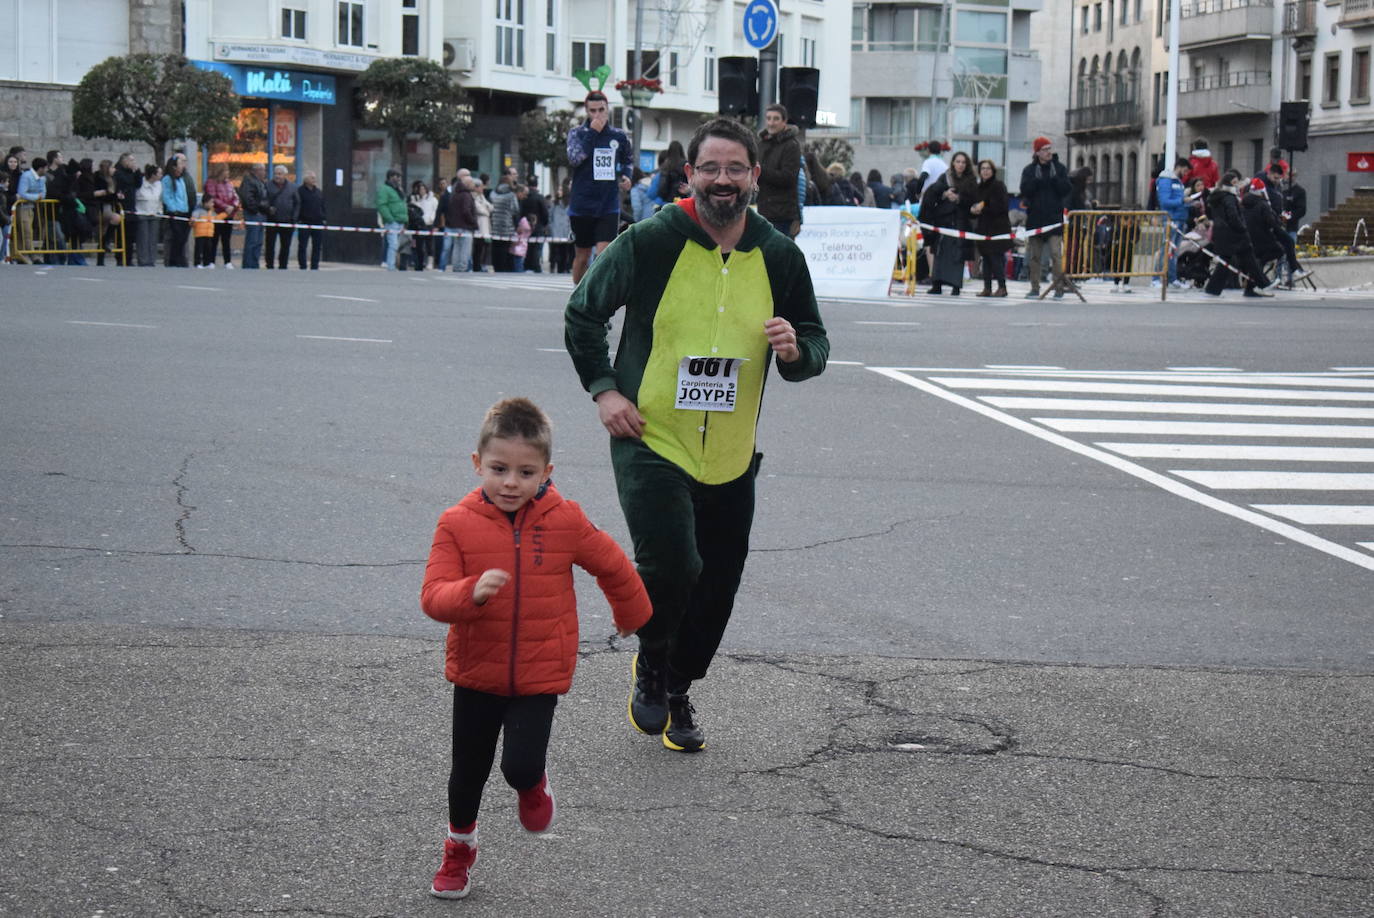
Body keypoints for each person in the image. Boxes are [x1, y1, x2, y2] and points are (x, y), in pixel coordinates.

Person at [564, 117, 829, 753]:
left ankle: (678, 683)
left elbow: (816, 343)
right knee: (673, 563)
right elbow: (583, 313)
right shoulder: (650, 241)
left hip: (733, 454)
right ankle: (653, 662)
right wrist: (605, 390)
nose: (722, 180)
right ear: (691, 176)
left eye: (735, 169)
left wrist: (795, 352)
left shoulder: (780, 256)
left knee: (716, 587)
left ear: (754, 178)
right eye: (710, 168)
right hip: (650, 437)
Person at [420, 397, 651, 900]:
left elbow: (612, 565)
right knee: (467, 773)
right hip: (476, 670)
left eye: (525, 472)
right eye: (499, 468)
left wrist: (634, 617)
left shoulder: (565, 519)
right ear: (477, 463)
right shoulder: (455, 523)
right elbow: (433, 597)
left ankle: (533, 784)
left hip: (540, 670)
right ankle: (459, 849)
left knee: (518, 766)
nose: (510, 482)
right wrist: (470, 592)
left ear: (546, 472)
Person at [566, 91, 634, 282]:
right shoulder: (577, 134)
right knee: (582, 256)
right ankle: (578, 296)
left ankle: (595, 298)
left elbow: (627, 160)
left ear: (608, 109)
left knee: (603, 256)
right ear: (586, 111)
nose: (597, 115)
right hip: (582, 204)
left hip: (608, 204)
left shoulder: (618, 136)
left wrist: (627, 177)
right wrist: (593, 133)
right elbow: (574, 159)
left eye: (601, 110)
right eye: (593, 111)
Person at [1203, 170, 1272, 298]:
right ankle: (1262, 285)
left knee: (1225, 262)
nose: (1236, 185)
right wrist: (1242, 228)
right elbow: (1233, 216)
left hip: (1222, 233)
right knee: (1250, 260)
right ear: (1229, 183)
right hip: (1235, 235)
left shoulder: (1216, 197)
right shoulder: (1229, 197)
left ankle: (1213, 289)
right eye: (1234, 183)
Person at [1018, 136, 1071, 298]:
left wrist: (1056, 179)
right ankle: (1035, 287)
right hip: (1035, 219)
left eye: (1049, 148)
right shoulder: (1029, 170)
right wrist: (1036, 181)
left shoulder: (1059, 168)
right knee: (1035, 256)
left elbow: (1066, 189)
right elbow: (1025, 190)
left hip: (1054, 219)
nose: (1048, 152)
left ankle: (1058, 287)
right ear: (1037, 152)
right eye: (1044, 149)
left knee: (1056, 254)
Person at [920, 150, 976, 295]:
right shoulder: (944, 177)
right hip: (943, 220)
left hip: (960, 221)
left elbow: (972, 199)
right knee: (940, 252)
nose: (960, 165)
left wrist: (959, 198)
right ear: (953, 163)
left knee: (957, 255)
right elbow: (932, 194)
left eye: (963, 162)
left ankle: (956, 286)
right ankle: (936, 284)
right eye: (958, 161)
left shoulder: (970, 180)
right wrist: (945, 194)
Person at [757, 103, 802, 237]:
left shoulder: (791, 146)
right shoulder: (761, 144)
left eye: (776, 119)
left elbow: (788, 178)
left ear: (784, 121)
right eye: (769, 118)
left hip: (782, 214)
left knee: (781, 255)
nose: (771, 123)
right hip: (763, 210)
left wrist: (760, 170)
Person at [971, 158, 1011, 297]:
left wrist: (983, 207)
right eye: (983, 169)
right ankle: (987, 287)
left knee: (995, 258)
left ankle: (1002, 287)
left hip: (997, 228)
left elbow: (1001, 206)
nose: (985, 171)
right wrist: (974, 210)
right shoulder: (979, 187)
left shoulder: (998, 185)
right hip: (983, 227)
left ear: (993, 170)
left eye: (988, 168)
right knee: (986, 258)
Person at [1155, 158, 1191, 287]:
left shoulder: (1178, 182)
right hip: (1171, 219)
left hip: (1179, 218)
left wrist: (1189, 203)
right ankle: (1156, 278)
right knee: (1166, 250)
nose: (1185, 174)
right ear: (1179, 167)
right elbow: (1165, 202)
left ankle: (1171, 278)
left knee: (1173, 252)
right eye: (1185, 170)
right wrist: (1183, 200)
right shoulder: (1166, 181)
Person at [204, 164, 239, 269]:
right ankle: (211, 261)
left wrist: (233, 206)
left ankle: (227, 261)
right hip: (217, 214)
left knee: (226, 239)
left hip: (228, 215)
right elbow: (212, 197)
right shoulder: (211, 182)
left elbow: (235, 196)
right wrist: (225, 206)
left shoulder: (229, 183)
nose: (227, 173)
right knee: (214, 238)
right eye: (225, 171)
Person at [440, 174, 477, 272]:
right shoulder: (466, 195)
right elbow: (466, 211)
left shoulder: (455, 194)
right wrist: (473, 222)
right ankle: (462, 267)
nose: (474, 185)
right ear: (468, 184)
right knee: (465, 248)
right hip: (465, 226)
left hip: (455, 225)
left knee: (457, 246)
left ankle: (456, 266)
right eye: (472, 183)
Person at [264, 164, 298, 269]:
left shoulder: (292, 187)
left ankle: (283, 265)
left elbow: (297, 203)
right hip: (272, 219)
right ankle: (269, 264)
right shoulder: (268, 185)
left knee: (285, 245)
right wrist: (268, 208)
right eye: (275, 174)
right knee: (270, 244)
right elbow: (263, 199)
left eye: (280, 174)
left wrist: (294, 218)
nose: (277, 176)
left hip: (287, 220)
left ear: (285, 175)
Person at [161, 156, 192, 267]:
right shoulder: (167, 179)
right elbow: (166, 196)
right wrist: (173, 209)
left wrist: (186, 208)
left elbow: (184, 196)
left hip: (184, 211)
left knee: (182, 238)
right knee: (176, 237)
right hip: (175, 212)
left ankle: (179, 259)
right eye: (180, 164)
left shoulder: (181, 179)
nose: (182, 166)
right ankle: (173, 260)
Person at [238, 163, 269, 269]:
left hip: (261, 214)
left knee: (258, 242)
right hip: (253, 214)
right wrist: (257, 209)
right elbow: (248, 198)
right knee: (252, 240)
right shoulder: (249, 181)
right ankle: (248, 264)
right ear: (256, 171)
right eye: (262, 170)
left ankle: (254, 264)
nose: (264, 172)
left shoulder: (261, 182)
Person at [376, 169, 407, 270]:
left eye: (399, 177)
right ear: (390, 177)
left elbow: (402, 203)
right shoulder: (384, 189)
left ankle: (392, 264)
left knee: (397, 246)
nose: (398, 179)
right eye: (396, 176)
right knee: (393, 245)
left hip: (400, 221)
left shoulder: (398, 189)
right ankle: (391, 266)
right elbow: (381, 205)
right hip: (393, 222)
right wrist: (389, 218)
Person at [133, 163, 163, 266]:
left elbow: (159, 198)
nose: (161, 175)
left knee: (153, 238)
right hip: (142, 212)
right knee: (143, 238)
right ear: (153, 175)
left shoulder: (159, 184)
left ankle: (151, 260)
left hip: (154, 213)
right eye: (159, 173)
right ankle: (143, 260)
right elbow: (138, 196)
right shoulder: (141, 183)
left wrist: (159, 211)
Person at [488, 174, 519, 272]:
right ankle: (504, 268)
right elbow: (515, 209)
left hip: (494, 224)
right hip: (506, 225)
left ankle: (496, 266)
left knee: (496, 248)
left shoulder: (492, 193)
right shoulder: (511, 195)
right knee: (505, 249)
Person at [296, 170, 325, 270]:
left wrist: (323, 217)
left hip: (317, 222)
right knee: (302, 246)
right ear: (306, 179)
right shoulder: (300, 191)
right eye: (312, 177)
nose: (314, 180)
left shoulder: (318, 192)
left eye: (314, 177)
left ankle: (314, 266)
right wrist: (298, 219)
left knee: (317, 246)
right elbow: (297, 206)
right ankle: (302, 266)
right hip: (304, 222)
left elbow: (323, 205)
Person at [408, 180, 439, 270]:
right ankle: (419, 263)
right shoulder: (415, 200)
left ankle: (430, 263)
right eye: (420, 189)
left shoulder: (433, 199)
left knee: (430, 244)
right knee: (419, 246)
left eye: (423, 189)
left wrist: (432, 220)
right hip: (419, 225)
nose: (422, 191)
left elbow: (435, 211)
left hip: (429, 224)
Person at [520, 176, 549, 271]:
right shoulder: (540, 198)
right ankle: (536, 267)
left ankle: (526, 266)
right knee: (537, 249)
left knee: (526, 247)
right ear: (537, 185)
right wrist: (544, 225)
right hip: (538, 227)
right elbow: (545, 213)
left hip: (524, 227)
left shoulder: (524, 198)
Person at [547, 185, 572, 274]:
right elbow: (549, 217)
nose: (559, 191)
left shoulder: (570, 204)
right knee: (554, 252)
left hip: (565, 232)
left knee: (564, 252)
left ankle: (563, 268)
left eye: (561, 189)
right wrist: (551, 227)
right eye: (558, 189)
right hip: (555, 232)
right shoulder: (555, 204)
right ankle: (553, 267)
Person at [471, 178, 493, 271]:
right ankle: (476, 266)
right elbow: (479, 209)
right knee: (477, 247)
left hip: (486, 226)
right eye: (480, 187)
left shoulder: (482, 197)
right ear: (476, 187)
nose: (482, 189)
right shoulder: (473, 197)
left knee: (485, 246)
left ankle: (482, 265)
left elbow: (491, 207)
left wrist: (487, 208)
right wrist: (486, 210)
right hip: (478, 225)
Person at [191, 192, 217, 268]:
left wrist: (225, 214)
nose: (212, 204)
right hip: (200, 233)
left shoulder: (211, 212)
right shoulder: (198, 211)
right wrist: (192, 221)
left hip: (209, 234)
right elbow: (193, 219)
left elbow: (217, 218)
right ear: (205, 203)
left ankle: (206, 262)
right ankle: (197, 263)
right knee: (199, 249)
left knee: (208, 249)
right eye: (211, 202)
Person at [510, 188, 532, 272]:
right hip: (519, 243)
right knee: (518, 259)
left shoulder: (520, 202)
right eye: (524, 193)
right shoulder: (517, 202)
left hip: (518, 242)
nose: (525, 196)